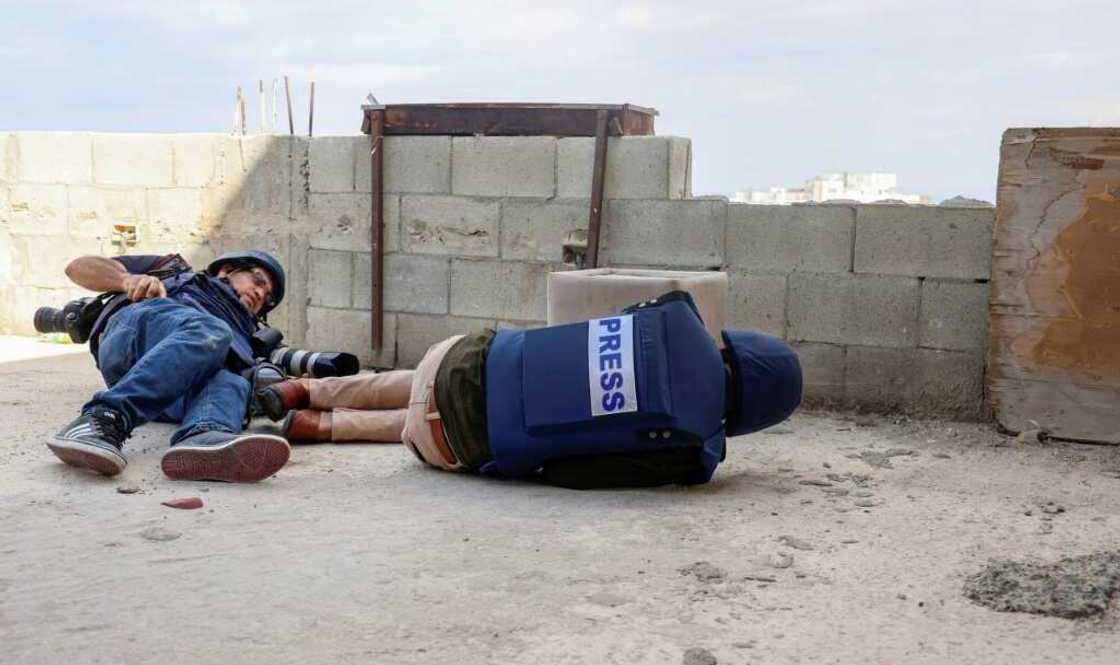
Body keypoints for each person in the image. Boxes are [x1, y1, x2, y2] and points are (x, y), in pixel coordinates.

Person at [256, 291, 803, 488]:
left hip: (454, 356)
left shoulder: (679, 313)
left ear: (735, 348)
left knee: (433, 380)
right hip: (445, 440)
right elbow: (572, 473)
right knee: (440, 425)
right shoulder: (696, 451)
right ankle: (319, 427)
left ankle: (306, 389)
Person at [46, 250, 292, 483]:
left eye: (267, 296)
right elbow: (77, 268)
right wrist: (127, 279)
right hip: (135, 335)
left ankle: (204, 437)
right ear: (227, 270)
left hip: (172, 393)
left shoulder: (252, 335)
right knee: (211, 330)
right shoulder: (174, 269)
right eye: (257, 281)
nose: (260, 293)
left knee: (233, 381)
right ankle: (103, 418)